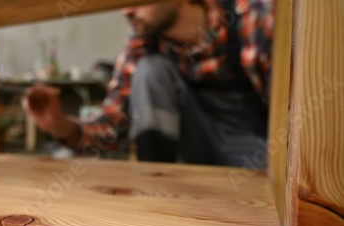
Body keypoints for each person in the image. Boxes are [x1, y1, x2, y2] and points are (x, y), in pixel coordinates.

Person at [23, 0, 274, 167]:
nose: (125, 10)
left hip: (259, 161)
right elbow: (113, 127)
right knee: (150, 71)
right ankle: (157, 190)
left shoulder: (250, 18)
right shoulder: (142, 47)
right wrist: (61, 126)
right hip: (188, 169)